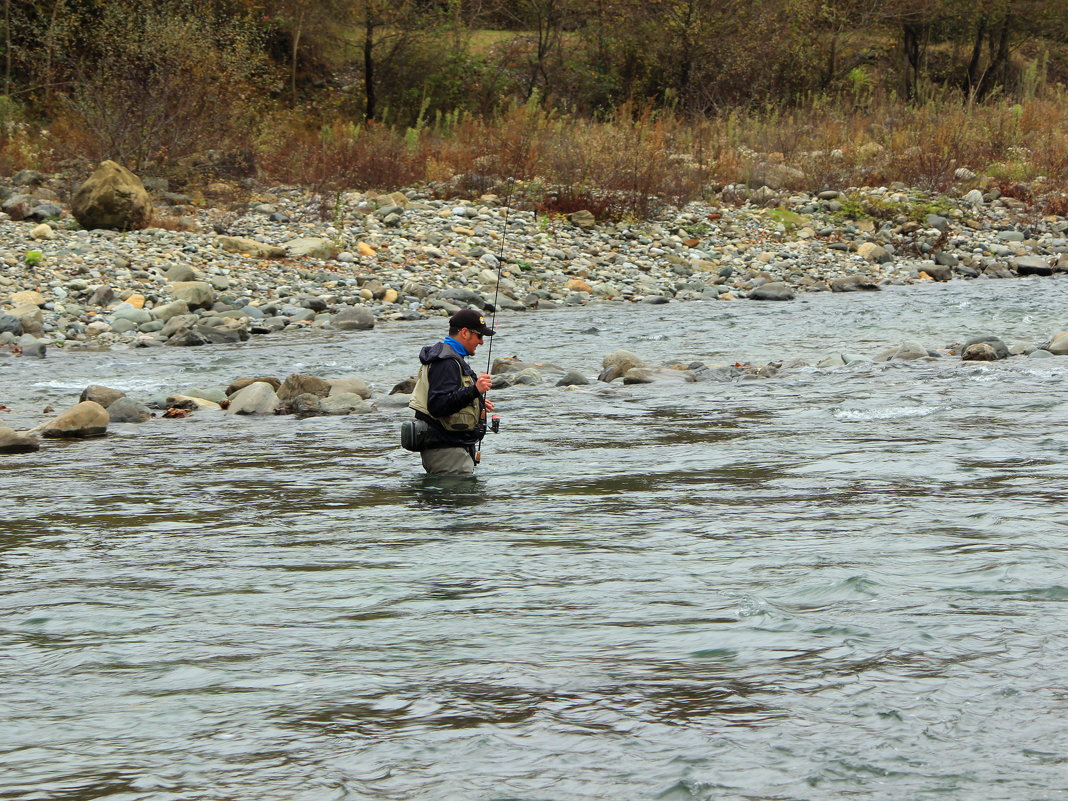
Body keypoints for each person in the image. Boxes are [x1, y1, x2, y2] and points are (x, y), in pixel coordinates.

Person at [408, 308, 496, 475]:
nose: (482, 342)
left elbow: (450, 396)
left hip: (451, 449)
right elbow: (438, 405)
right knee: (456, 500)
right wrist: (473, 391)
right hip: (447, 452)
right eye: (479, 336)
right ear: (464, 333)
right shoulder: (446, 362)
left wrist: (477, 400)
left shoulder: (452, 358)